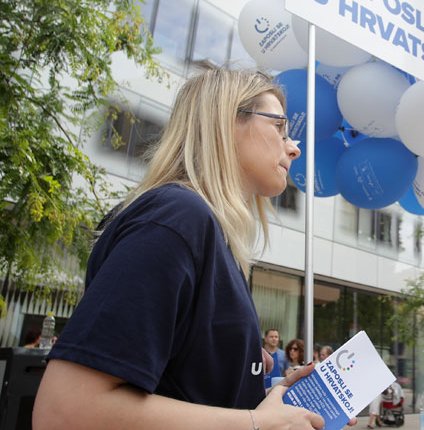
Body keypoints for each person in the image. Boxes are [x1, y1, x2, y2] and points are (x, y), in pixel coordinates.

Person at [31, 66, 334, 430]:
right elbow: (64, 411)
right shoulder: (178, 216)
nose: (294, 148)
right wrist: (257, 423)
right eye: (279, 128)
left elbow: (188, 396)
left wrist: (273, 403)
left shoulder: (208, 233)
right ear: (225, 122)